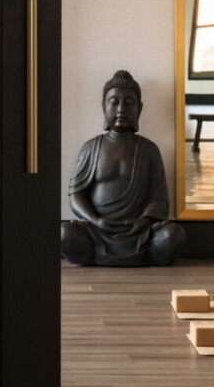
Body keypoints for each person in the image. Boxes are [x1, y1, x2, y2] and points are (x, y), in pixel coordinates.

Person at [62, 70, 186, 266]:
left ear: (140, 109)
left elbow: (159, 199)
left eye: (129, 103)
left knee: (173, 235)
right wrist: (95, 220)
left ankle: (138, 253)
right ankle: (98, 252)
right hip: (98, 230)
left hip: (139, 233)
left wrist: (143, 221)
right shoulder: (91, 148)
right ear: (104, 107)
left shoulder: (149, 149)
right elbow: (76, 194)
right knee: (64, 234)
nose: (121, 109)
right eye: (114, 102)